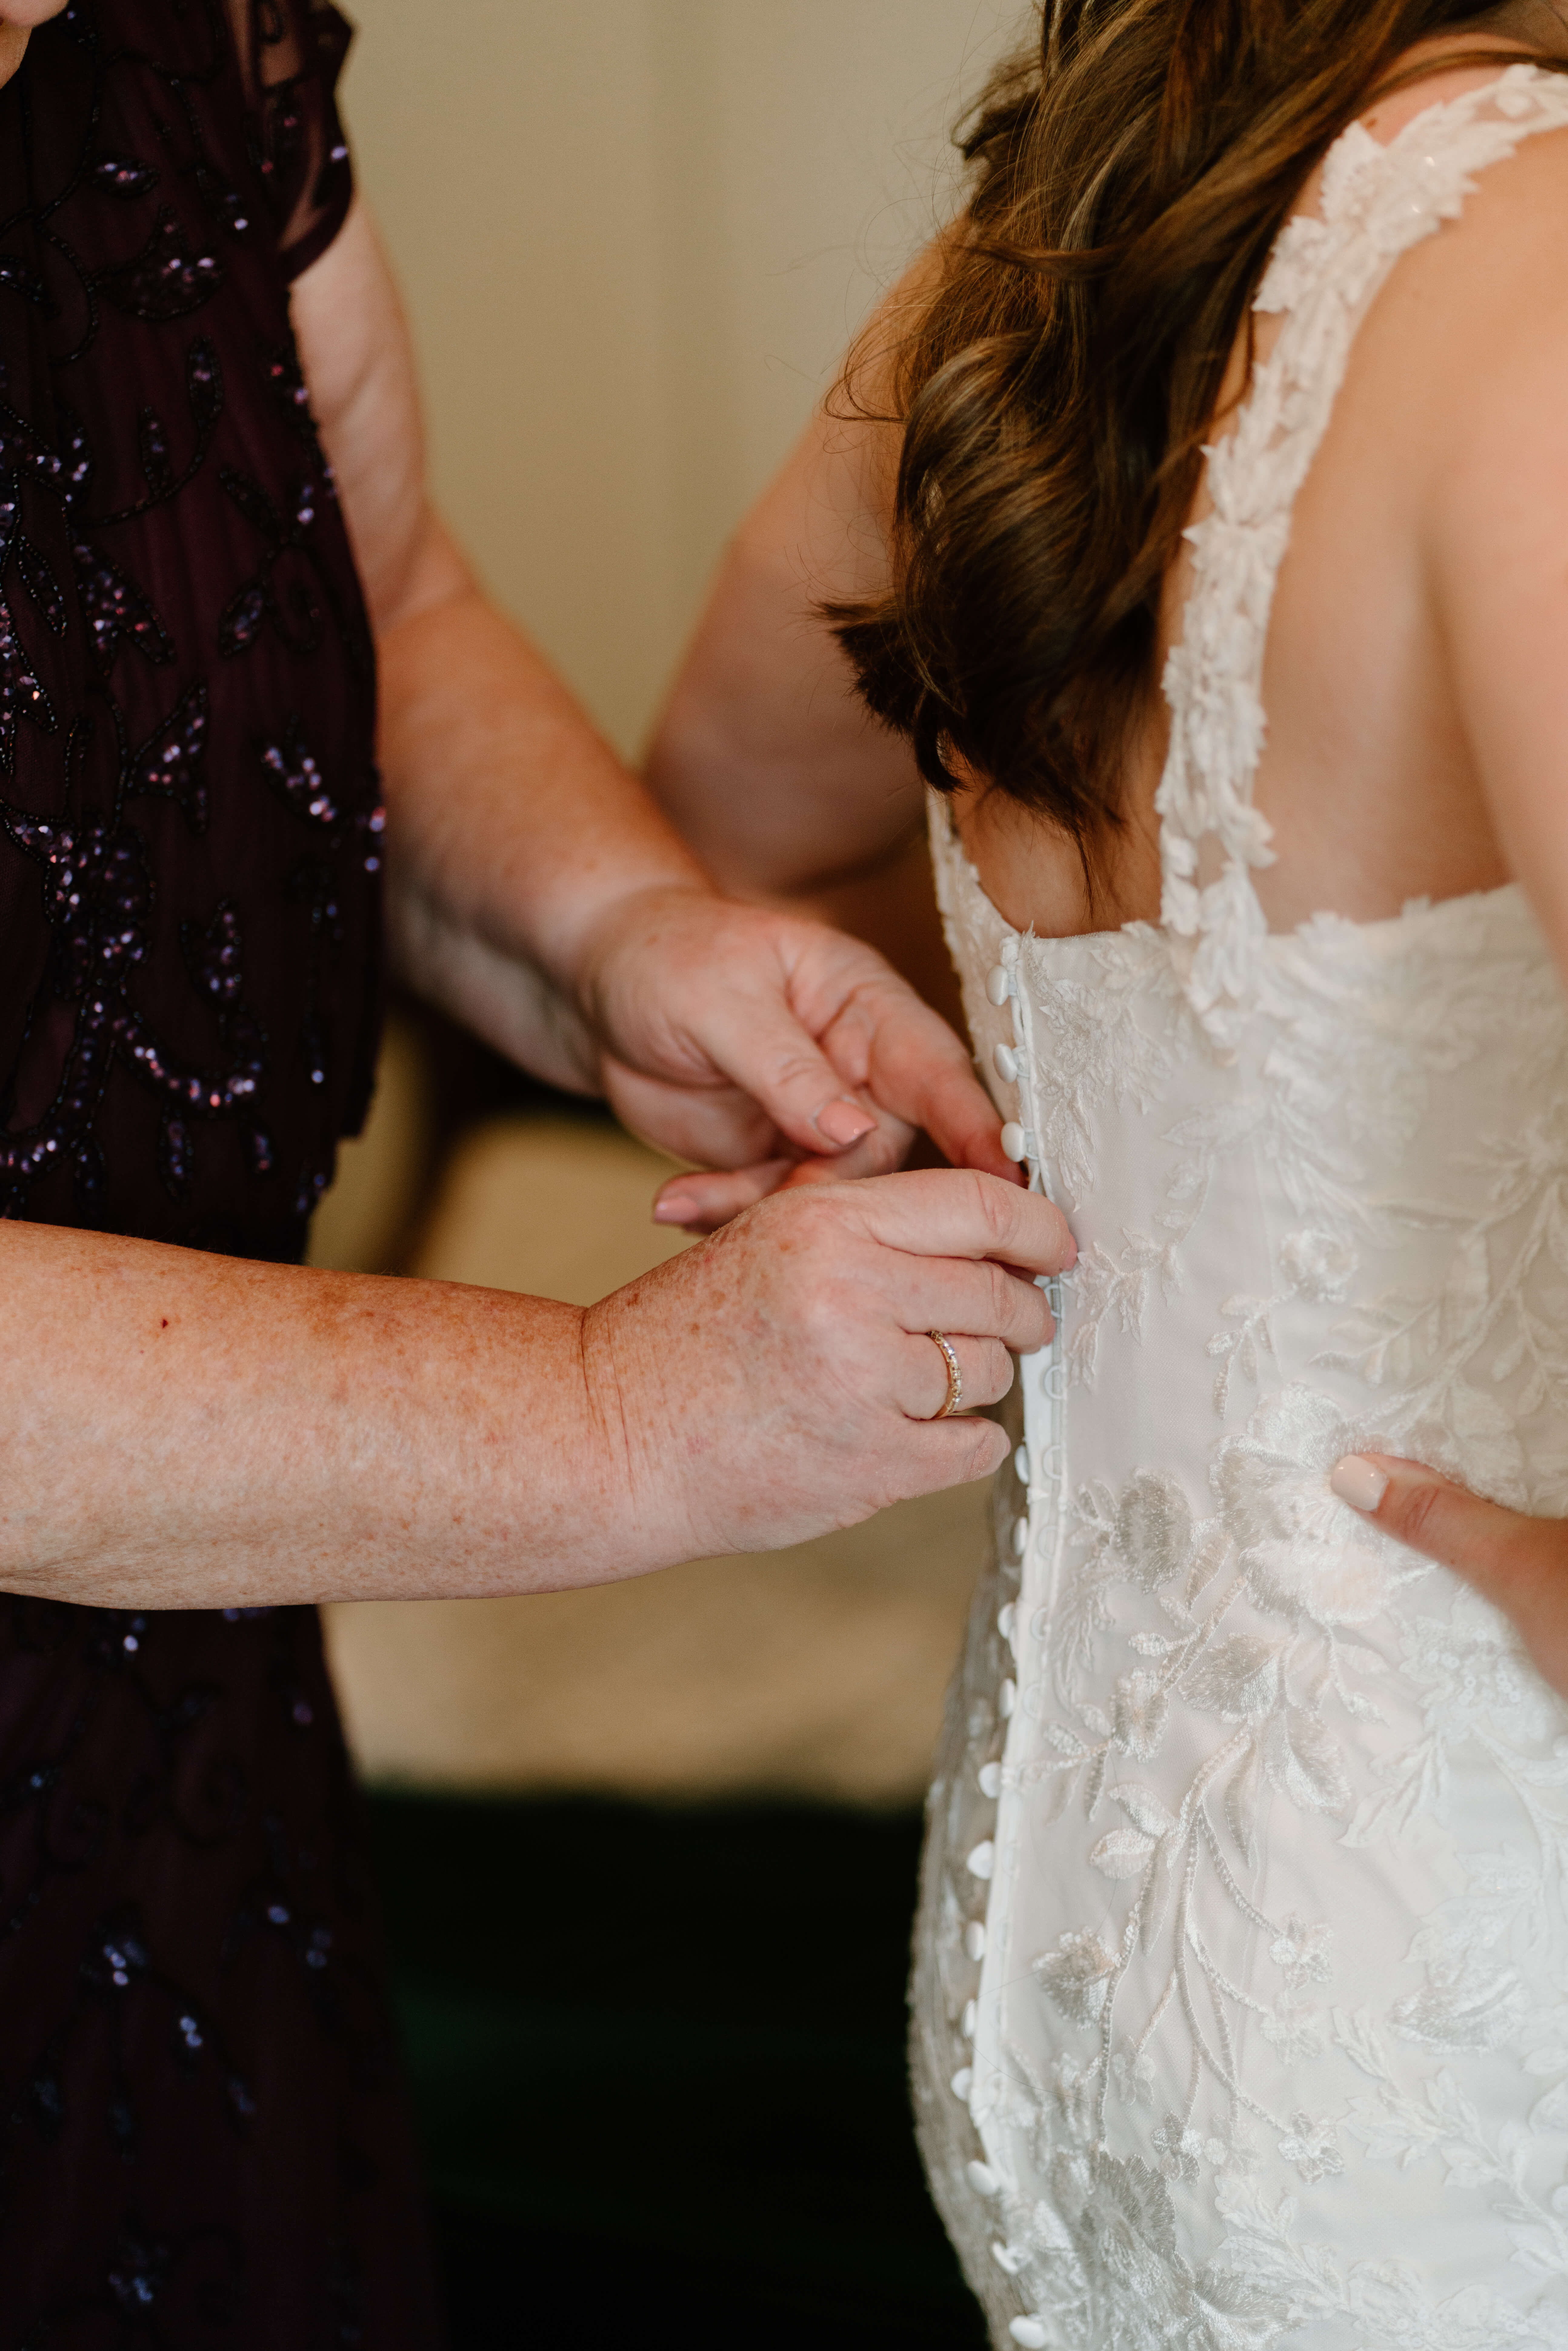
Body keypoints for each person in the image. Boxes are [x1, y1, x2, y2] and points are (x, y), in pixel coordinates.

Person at [0, 1, 1082, 2335]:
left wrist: (614, 934)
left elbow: (380, 602)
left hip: (176, 1715)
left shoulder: (182, 61)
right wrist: (605, 1419)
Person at [646, 2, 1568, 2341]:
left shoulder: (1028, 272)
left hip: (1065, 1964)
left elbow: (729, 834)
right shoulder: (1538, 275)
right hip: (1485, 1945)